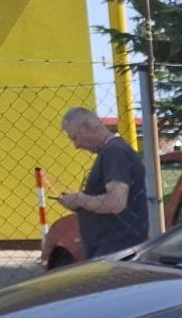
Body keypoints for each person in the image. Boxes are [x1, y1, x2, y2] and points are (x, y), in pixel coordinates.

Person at [55, 107, 149, 258]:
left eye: (75, 138)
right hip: (117, 250)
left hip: (117, 252)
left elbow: (115, 202)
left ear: (87, 126)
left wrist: (79, 199)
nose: (76, 146)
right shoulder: (113, 151)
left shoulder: (114, 153)